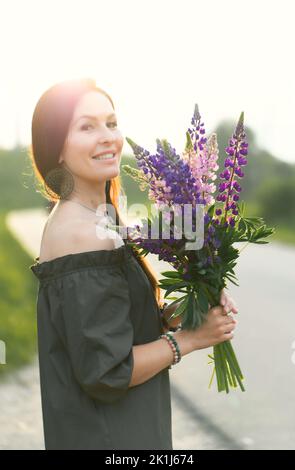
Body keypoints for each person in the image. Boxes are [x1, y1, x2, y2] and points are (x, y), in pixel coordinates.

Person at [28, 78, 238, 450]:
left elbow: (119, 323)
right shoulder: (81, 233)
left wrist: (191, 307)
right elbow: (107, 370)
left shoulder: (99, 217)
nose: (107, 136)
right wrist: (190, 338)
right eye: (87, 126)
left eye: (111, 122)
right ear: (56, 148)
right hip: (109, 436)